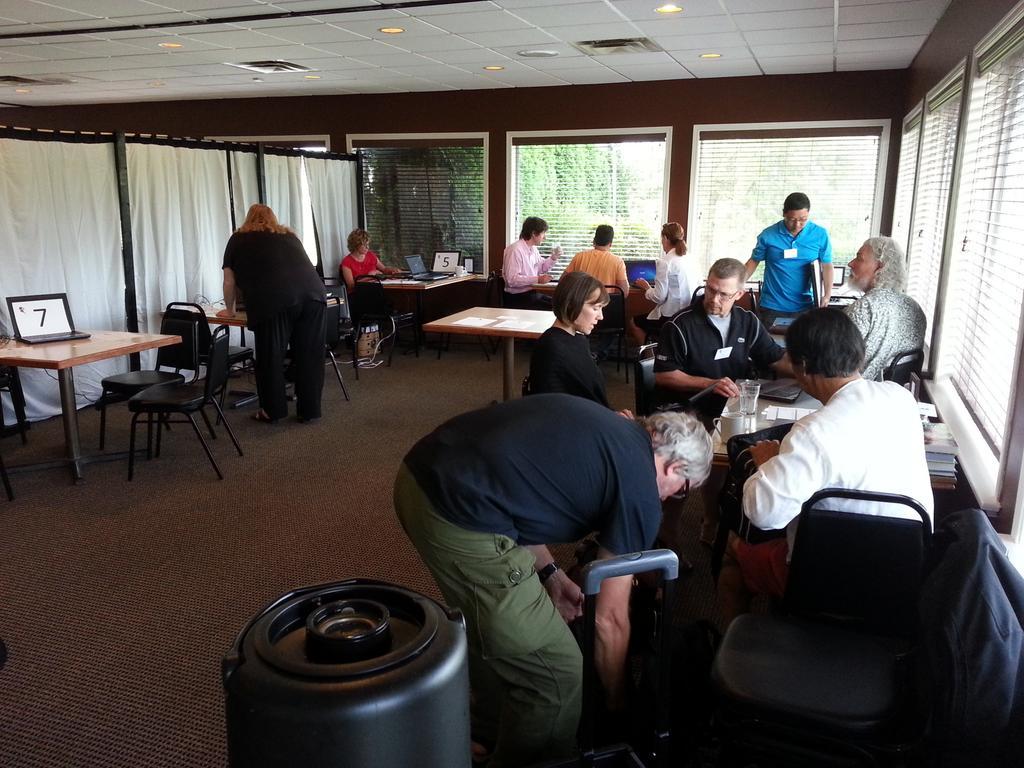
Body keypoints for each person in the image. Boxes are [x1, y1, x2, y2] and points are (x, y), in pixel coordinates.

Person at [394, 396, 712, 768]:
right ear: (674, 468)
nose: (675, 498)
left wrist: (551, 574)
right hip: (457, 510)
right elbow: (609, 619)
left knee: (501, 629)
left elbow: (524, 494)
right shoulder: (641, 486)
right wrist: (618, 702)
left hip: (421, 478)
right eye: (683, 490)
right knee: (558, 677)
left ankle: (484, 731)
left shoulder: (614, 431)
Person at [717, 308, 934, 624]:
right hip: (907, 574)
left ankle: (734, 656)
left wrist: (768, 463)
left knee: (733, 555)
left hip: (829, 579)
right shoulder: (901, 399)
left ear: (801, 368)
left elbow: (764, 515)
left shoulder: (811, 432)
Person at [217, 204, 326, 423]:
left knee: (271, 357)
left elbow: (229, 281)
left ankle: (273, 411)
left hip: (274, 300)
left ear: (248, 218)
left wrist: (229, 310)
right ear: (273, 218)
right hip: (315, 296)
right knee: (310, 355)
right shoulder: (290, 236)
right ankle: (310, 410)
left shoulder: (238, 239)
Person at [655, 257, 791, 423]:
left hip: (735, 406)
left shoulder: (747, 321)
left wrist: (811, 374)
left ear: (739, 294)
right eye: (711, 290)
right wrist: (710, 384)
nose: (714, 299)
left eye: (724, 295)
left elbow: (774, 358)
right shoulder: (679, 325)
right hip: (692, 412)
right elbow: (664, 375)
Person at [745, 192, 833, 329]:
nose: (797, 225)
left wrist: (827, 295)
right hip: (772, 306)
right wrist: (737, 283)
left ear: (808, 214)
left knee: (803, 348)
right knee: (771, 348)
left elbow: (827, 265)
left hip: (805, 305)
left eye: (803, 219)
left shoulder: (820, 234)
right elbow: (753, 261)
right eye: (792, 219)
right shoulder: (768, 235)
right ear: (784, 214)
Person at [844, 236, 927, 381]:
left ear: (880, 267)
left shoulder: (865, 307)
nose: (851, 263)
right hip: (894, 395)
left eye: (859, 258)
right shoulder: (915, 307)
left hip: (859, 393)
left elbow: (831, 361)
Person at [529, 271, 610, 407]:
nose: (600, 316)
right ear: (572, 304)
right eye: (596, 308)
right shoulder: (552, 349)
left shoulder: (578, 339)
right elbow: (554, 409)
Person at [632, 222, 699, 344]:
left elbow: (659, 297)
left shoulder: (665, 262)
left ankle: (650, 359)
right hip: (691, 315)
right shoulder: (691, 259)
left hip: (672, 317)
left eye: (662, 239)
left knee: (634, 322)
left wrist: (647, 288)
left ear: (665, 238)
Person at [503, 216, 560, 309]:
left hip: (530, 294)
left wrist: (553, 258)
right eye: (543, 233)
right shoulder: (515, 250)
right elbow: (511, 280)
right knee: (556, 308)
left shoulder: (533, 249)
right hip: (517, 299)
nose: (545, 237)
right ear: (534, 233)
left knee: (560, 304)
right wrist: (537, 279)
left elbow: (542, 268)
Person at [563, 225, 629, 294]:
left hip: (581, 302)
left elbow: (563, 281)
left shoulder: (579, 256)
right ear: (610, 244)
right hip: (605, 303)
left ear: (594, 241)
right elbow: (624, 292)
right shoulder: (618, 261)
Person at [340, 228, 400, 292]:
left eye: (368, 244)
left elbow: (384, 269)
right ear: (356, 245)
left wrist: (392, 270)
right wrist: (370, 276)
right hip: (358, 294)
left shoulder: (371, 255)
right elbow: (351, 285)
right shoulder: (347, 262)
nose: (367, 247)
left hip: (374, 290)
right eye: (364, 245)